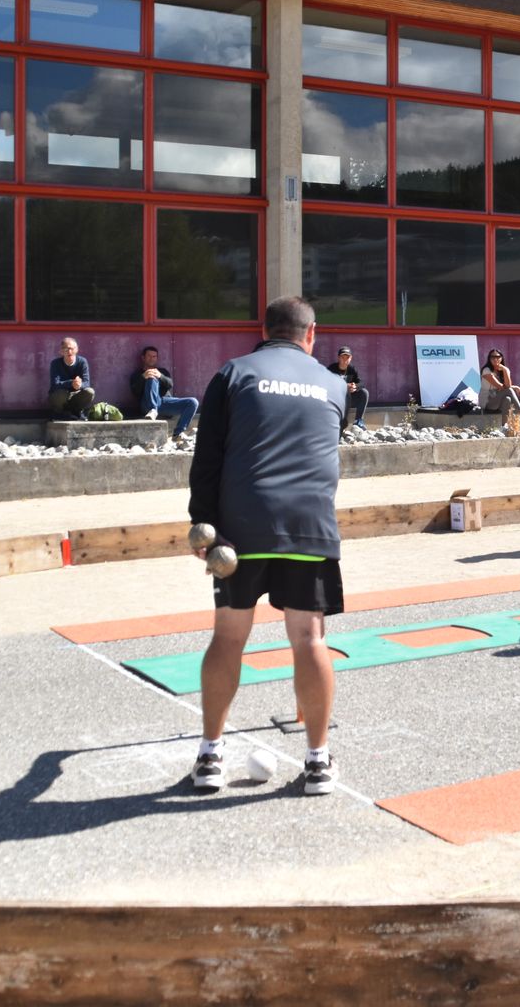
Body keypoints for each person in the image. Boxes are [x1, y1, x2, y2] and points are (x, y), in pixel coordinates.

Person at [187, 297, 347, 796]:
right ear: (311, 334)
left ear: (263, 330)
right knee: (310, 640)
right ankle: (318, 763)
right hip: (309, 525)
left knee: (229, 638)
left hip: (242, 530)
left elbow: (207, 457)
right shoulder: (335, 384)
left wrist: (202, 523)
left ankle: (210, 756)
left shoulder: (234, 374)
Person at [129, 346, 199, 436]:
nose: (152, 358)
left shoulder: (163, 371)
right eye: (149, 356)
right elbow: (135, 391)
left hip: (164, 403)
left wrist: (160, 376)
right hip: (147, 405)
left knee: (193, 402)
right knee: (151, 378)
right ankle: (153, 409)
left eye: (154, 356)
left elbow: (170, 384)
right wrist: (143, 377)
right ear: (143, 358)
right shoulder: (137, 374)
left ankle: (178, 433)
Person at [322, 346, 369, 434]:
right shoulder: (332, 368)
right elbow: (325, 384)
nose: (345, 360)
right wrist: (343, 386)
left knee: (364, 392)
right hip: (335, 400)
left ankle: (358, 421)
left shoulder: (351, 369)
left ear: (350, 358)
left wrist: (355, 386)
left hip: (348, 399)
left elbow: (361, 383)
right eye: (342, 357)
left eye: (347, 357)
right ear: (338, 358)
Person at [47, 337, 96, 419]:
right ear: (61, 351)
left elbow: (87, 383)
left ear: (77, 349)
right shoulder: (55, 363)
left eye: (72, 349)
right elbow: (55, 384)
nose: (69, 352)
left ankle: (77, 411)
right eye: (66, 349)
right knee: (60, 394)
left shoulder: (82, 362)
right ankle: (59, 413)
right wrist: (71, 383)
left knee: (90, 392)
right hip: (61, 395)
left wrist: (79, 385)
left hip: (75, 395)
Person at [480, 348, 520, 418]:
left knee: (507, 399)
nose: (495, 359)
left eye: (498, 357)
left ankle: (505, 424)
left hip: (497, 399)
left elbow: (507, 385)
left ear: (501, 358)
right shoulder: (486, 370)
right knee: (508, 390)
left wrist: (505, 370)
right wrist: (516, 387)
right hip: (487, 402)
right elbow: (502, 387)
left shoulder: (503, 370)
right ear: (489, 358)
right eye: (492, 357)